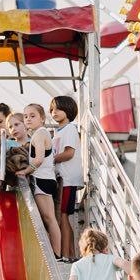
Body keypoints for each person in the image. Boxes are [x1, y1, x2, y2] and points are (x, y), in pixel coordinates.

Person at [23, 102, 62, 258]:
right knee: (48, 218)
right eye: (26, 116)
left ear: (42, 118)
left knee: (49, 219)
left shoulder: (39, 134)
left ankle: (57, 254)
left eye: (32, 116)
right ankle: (55, 253)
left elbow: (38, 159)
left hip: (42, 180)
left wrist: (24, 171)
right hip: (46, 179)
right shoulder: (40, 133)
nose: (28, 119)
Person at [50, 94, 83, 260]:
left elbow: (69, 153)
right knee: (62, 216)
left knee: (63, 216)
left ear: (68, 110)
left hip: (68, 179)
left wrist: (49, 159)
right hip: (62, 179)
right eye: (52, 110)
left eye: (58, 109)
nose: (54, 112)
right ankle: (67, 253)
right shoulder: (58, 131)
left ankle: (68, 254)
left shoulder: (70, 129)